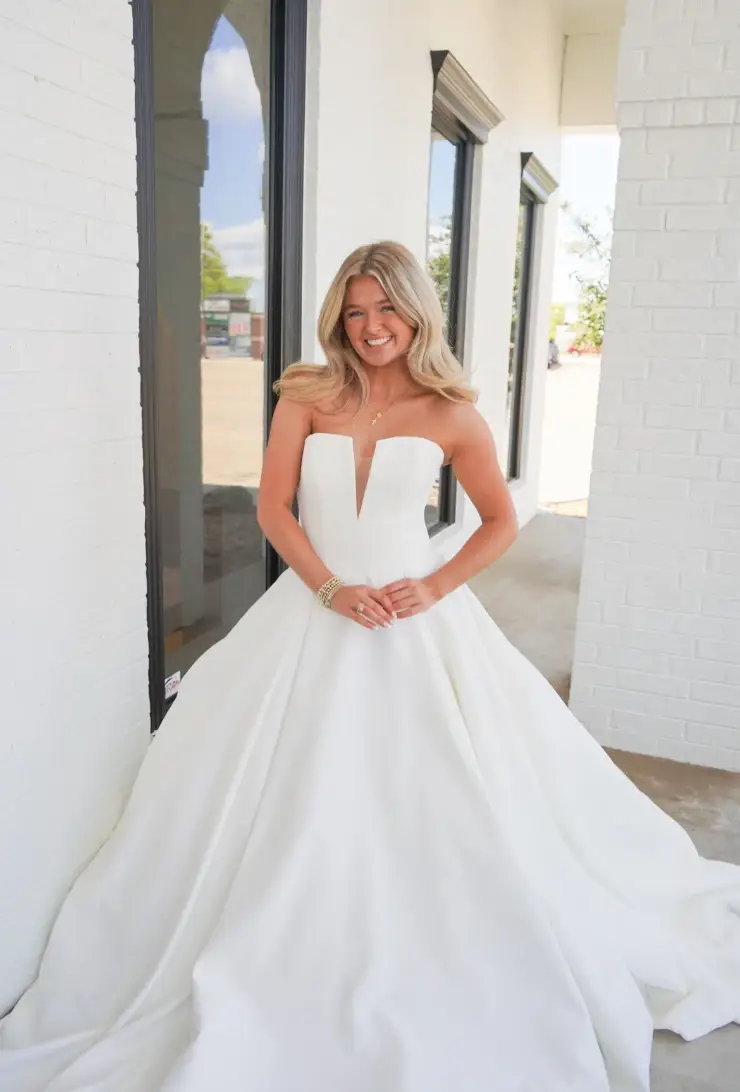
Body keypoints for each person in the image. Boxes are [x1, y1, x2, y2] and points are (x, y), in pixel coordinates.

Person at [1, 241, 739, 1092]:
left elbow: (499, 521)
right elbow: (274, 507)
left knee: (454, 795)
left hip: (414, 620)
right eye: (354, 312)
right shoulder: (307, 393)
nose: (371, 327)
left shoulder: (453, 411)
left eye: (385, 309)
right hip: (313, 609)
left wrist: (432, 586)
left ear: (416, 312)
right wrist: (329, 591)